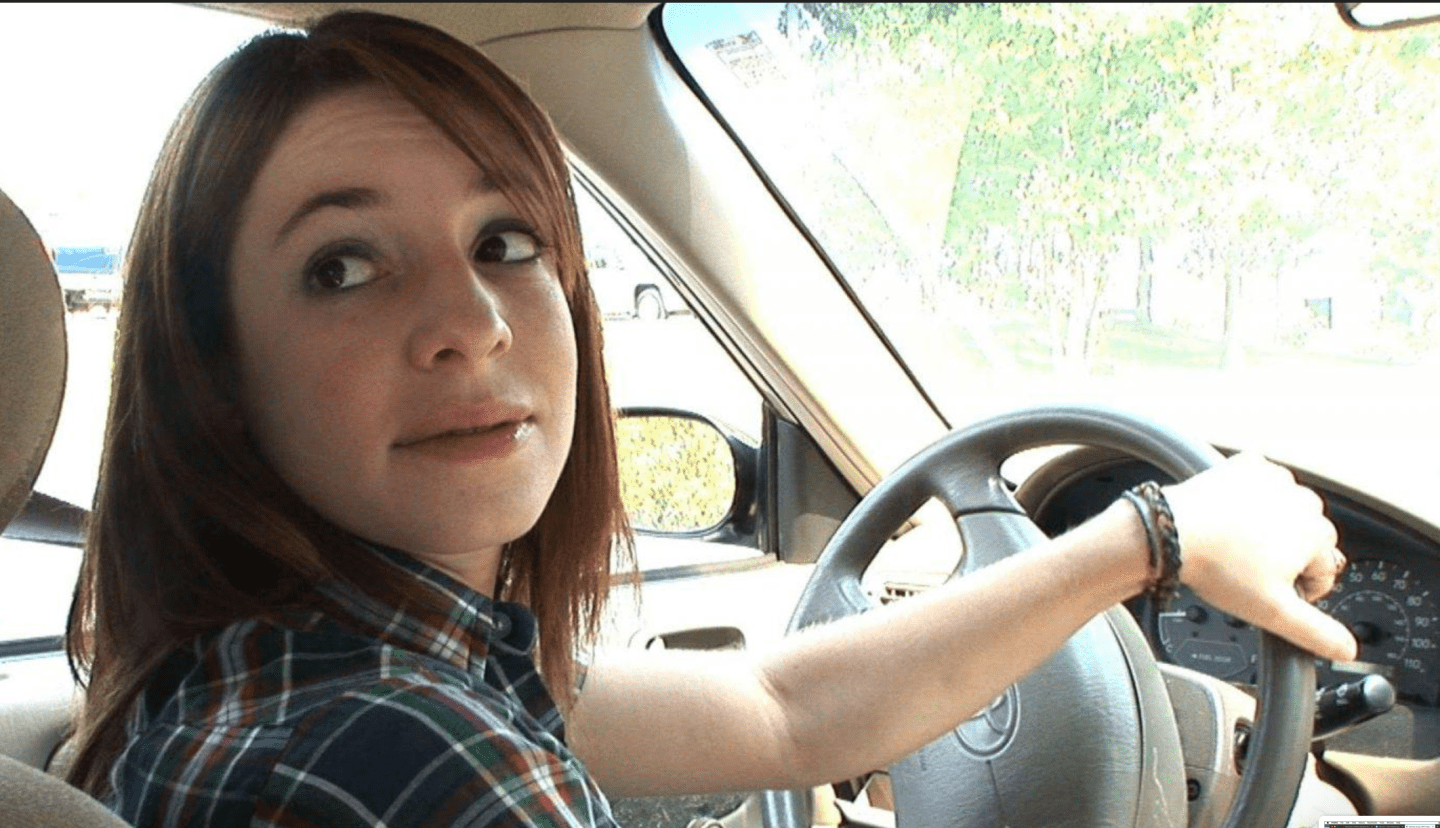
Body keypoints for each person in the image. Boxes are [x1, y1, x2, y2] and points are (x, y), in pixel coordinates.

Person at [63, 10, 1356, 827]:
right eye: (344, 265)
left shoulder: (264, 671)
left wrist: (1151, 539)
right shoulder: (410, 749)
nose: (473, 317)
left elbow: (780, 706)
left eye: (507, 239)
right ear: (214, 370)